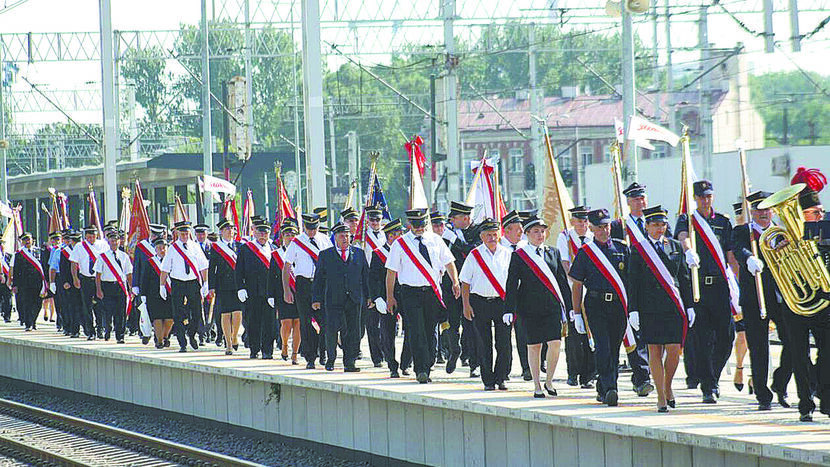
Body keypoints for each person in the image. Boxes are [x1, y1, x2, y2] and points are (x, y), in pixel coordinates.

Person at [628, 206, 694, 412]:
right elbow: (633, 282)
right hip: (649, 308)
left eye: (663, 224)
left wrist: (690, 305)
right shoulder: (638, 249)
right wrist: (633, 310)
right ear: (646, 226)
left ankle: (667, 386)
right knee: (654, 351)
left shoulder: (674, 246)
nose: (659, 228)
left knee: (674, 350)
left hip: (673, 306)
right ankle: (660, 396)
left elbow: (684, 279)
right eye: (655, 225)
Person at [675, 179, 736, 403]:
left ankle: (714, 375)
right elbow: (683, 236)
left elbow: (729, 254)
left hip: (720, 285)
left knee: (727, 336)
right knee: (701, 339)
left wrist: (738, 284)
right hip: (698, 287)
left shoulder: (722, 221)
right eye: (701, 197)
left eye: (708, 196)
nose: (705, 200)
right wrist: (689, 250)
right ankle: (708, 386)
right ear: (695, 198)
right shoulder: (687, 220)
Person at [732, 190, 793, 410]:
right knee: (759, 347)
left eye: (766, 209)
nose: (763, 214)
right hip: (754, 297)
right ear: (752, 211)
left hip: (781, 296)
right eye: (758, 210)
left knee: (793, 342)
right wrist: (749, 258)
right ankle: (762, 395)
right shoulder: (742, 231)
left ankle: (780, 382)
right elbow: (738, 249)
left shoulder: (781, 232)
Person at [385, 208, 460, 384]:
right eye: (416, 225)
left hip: (432, 292)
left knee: (430, 330)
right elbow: (391, 273)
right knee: (416, 331)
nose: (419, 228)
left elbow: (449, 263)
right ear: (410, 224)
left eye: (422, 225)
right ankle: (421, 369)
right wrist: (390, 296)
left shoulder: (436, 240)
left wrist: (455, 282)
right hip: (410, 293)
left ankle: (430, 361)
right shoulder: (400, 244)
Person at [504, 214, 571, 398]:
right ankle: (536, 384)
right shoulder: (519, 256)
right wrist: (509, 309)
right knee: (534, 346)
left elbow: (562, 282)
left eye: (542, 231)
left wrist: (570, 307)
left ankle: (549, 380)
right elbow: (511, 283)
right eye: (535, 232)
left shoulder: (553, 252)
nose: (540, 235)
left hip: (551, 307)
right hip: (529, 308)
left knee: (555, 343)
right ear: (527, 234)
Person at [569, 209, 630, 406]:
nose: (604, 230)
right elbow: (577, 284)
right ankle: (611, 387)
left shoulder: (622, 248)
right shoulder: (586, 252)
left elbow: (630, 280)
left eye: (607, 226)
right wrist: (577, 313)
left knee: (614, 349)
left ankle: (603, 388)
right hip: (596, 305)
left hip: (618, 307)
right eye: (600, 227)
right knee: (602, 347)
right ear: (592, 229)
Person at [610, 182, 656, 397]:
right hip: (628, 284)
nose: (641, 202)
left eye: (643, 198)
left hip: (653, 285)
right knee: (633, 334)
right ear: (628, 202)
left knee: (650, 334)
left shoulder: (655, 222)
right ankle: (642, 377)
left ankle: (649, 374)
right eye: (636, 199)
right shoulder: (619, 226)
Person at [460, 219, 512, 391]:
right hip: (480, 302)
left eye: (494, 234)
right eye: (488, 235)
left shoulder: (507, 254)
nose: (492, 238)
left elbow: (513, 282)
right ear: (481, 236)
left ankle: (501, 376)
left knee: (504, 342)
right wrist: (466, 305)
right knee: (484, 343)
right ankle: (488, 380)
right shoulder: (474, 255)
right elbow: (465, 282)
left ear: (499, 235)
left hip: (502, 302)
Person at [312, 222, 370, 372]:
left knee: (353, 331)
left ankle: (349, 362)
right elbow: (318, 278)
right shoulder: (325, 255)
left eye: (347, 235)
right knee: (332, 330)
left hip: (354, 298)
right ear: (335, 238)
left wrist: (370, 296)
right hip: (333, 299)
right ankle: (330, 358)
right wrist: (316, 299)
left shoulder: (359, 253)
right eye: (341, 236)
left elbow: (366, 277)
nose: (345, 239)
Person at [283, 212, 333, 369]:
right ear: (304, 226)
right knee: (306, 322)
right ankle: (310, 357)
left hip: (322, 283)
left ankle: (323, 352)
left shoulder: (325, 240)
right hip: (304, 284)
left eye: (315, 228)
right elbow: (286, 267)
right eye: (309, 228)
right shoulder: (296, 242)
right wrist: (286, 290)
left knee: (325, 320)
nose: (312, 231)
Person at [557, 205, 595, 388]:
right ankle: (573, 372)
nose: (583, 225)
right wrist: (575, 279)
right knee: (573, 333)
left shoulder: (593, 237)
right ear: (573, 221)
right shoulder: (565, 236)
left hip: (591, 288)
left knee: (591, 331)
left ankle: (589, 373)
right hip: (572, 288)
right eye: (579, 221)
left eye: (586, 221)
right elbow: (564, 262)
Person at [160, 220, 209, 353]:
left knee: (197, 312)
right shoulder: (172, 248)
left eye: (187, 233)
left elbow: (203, 266)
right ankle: (182, 342)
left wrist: (205, 283)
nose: (185, 235)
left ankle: (192, 334)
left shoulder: (195, 247)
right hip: (178, 283)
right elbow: (165, 268)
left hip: (193, 283)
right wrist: (162, 285)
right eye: (182, 233)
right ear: (177, 233)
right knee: (178, 314)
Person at [446, 201, 479, 377]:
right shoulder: (448, 233)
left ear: (465, 218)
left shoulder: (478, 231)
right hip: (451, 285)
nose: (451, 220)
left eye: (455, 217)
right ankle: (454, 351)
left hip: (470, 286)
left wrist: (456, 240)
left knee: (471, 326)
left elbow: (473, 251)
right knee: (452, 322)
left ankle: (474, 363)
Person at [236, 219, 277, 359]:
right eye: (260, 232)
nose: (263, 235)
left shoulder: (274, 248)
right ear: (254, 232)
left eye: (265, 232)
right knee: (253, 322)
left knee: (269, 323)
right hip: (251, 291)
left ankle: (268, 350)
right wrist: (240, 288)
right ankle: (254, 349)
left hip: (269, 293)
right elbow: (239, 270)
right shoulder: (245, 248)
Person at [369, 218, 405, 377]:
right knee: (387, 333)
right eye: (398, 234)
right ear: (390, 236)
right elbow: (373, 278)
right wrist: (377, 298)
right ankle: (392, 365)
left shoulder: (408, 251)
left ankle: (406, 361)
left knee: (412, 330)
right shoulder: (378, 254)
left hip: (406, 295)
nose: (401, 236)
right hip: (386, 297)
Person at [500, 210, 531, 381]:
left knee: (523, 333)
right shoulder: (498, 247)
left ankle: (527, 367)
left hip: (522, 296)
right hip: (502, 296)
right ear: (507, 230)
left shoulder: (525, 247)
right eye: (518, 229)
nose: (521, 232)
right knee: (504, 336)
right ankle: (504, 370)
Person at [209, 218, 242, 355]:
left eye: (232, 228)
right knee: (225, 314)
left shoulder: (239, 246)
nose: (230, 231)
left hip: (238, 284)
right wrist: (211, 286)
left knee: (237, 313)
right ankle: (228, 343)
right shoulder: (216, 248)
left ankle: (234, 336)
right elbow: (212, 268)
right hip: (222, 285)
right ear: (221, 232)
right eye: (227, 229)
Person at [93, 229, 133, 343]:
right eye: (112, 241)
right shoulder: (103, 256)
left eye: (116, 241)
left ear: (119, 242)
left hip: (120, 287)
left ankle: (120, 336)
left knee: (120, 312)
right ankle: (107, 329)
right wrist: (99, 290)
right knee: (107, 311)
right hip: (107, 286)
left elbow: (129, 273)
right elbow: (98, 275)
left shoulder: (124, 256)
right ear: (108, 242)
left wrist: (130, 288)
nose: (114, 243)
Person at [70, 226, 107, 339]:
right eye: (89, 236)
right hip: (86, 278)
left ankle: (100, 328)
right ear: (85, 236)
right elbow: (73, 263)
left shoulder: (103, 244)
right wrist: (75, 278)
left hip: (99, 279)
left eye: (94, 236)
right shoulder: (79, 246)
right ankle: (90, 331)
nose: (92, 238)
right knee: (87, 306)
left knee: (100, 305)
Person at [272, 220, 301, 364]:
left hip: (300, 292)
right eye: (287, 234)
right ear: (282, 236)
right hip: (283, 293)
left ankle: (295, 354)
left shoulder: (302, 252)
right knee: (287, 323)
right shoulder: (276, 254)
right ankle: (284, 345)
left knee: (298, 323)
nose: (290, 237)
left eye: (293, 234)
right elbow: (271, 277)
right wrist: (270, 295)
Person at [730, 201, 750, 393]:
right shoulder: (735, 234)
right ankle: (740, 367)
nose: (740, 218)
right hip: (736, 288)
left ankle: (755, 375)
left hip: (756, 288)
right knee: (742, 336)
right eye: (738, 215)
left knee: (761, 339)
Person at [142, 237, 173, 348]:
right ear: (155, 250)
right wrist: (143, 295)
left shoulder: (172, 261)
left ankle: (165, 336)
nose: (162, 250)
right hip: (154, 294)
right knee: (158, 318)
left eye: (164, 247)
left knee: (170, 318)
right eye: (159, 248)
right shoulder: (150, 262)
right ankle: (159, 340)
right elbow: (144, 279)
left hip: (170, 293)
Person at [10, 232, 46, 331]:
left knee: (38, 303)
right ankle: (28, 323)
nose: (27, 242)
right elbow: (16, 271)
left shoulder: (39, 252)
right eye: (24, 240)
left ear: (32, 240)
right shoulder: (19, 254)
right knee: (27, 302)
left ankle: (33, 320)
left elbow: (44, 268)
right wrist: (15, 285)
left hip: (37, 282)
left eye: (28, 239)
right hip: (24, 283)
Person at [55, 231, 82, 338]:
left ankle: (82, 327)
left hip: (82, 281)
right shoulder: (64, 252)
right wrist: (65, 282)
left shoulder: (83, 250)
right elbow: (63, 268)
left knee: (81, 306)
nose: (75, 243)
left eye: (77, 241)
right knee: (70, 306)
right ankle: (71, 328)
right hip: (70, 283)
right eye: (73, 241)